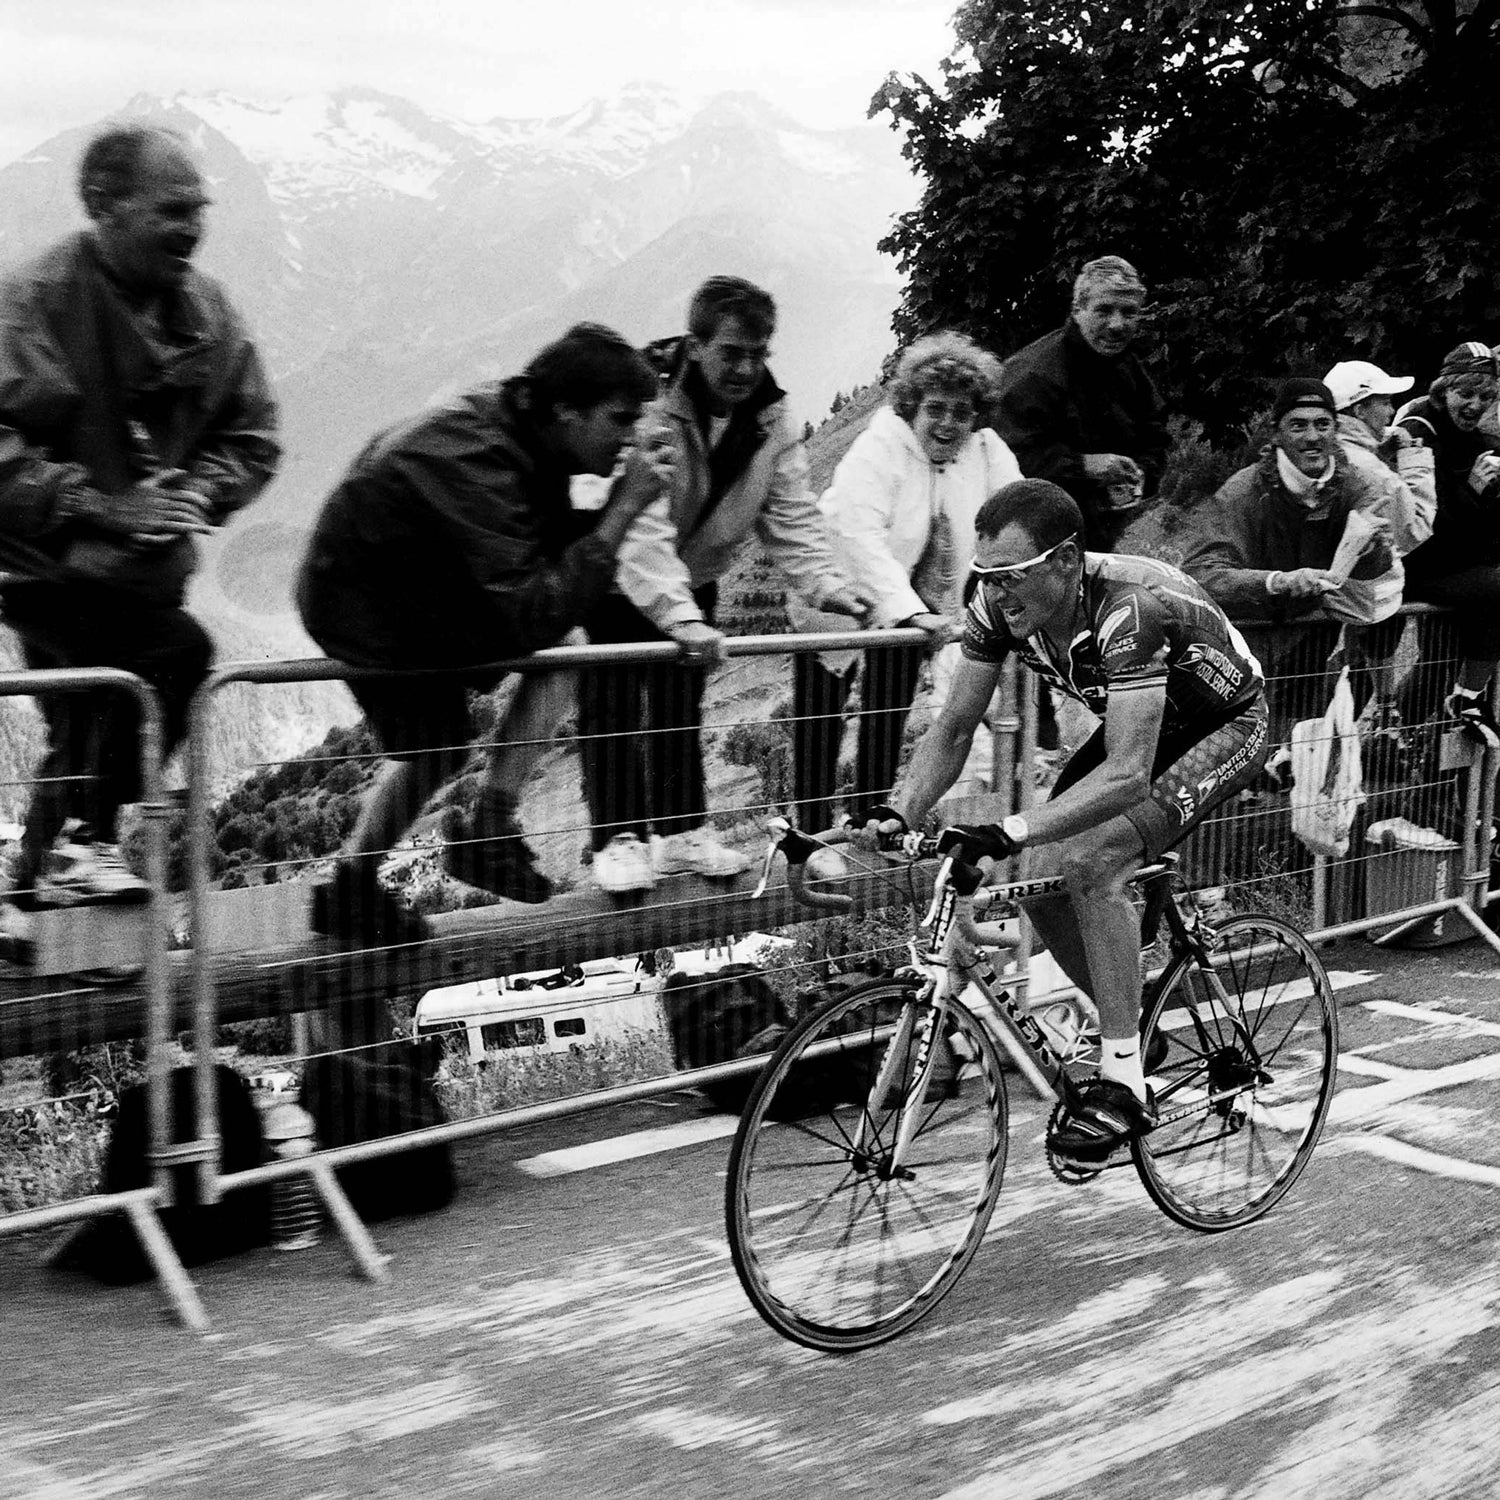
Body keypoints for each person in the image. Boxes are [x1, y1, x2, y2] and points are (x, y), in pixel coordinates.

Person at [860, 478, 1269, 1161]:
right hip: (1146, 722)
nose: (996, 592)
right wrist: (900, 808)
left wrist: (1013, 826)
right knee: (1041, 880)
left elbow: (1129, 773)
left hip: (1224, 725)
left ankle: (1122, 1081)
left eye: (1013, 576)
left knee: (1091, 861)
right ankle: (1132, 1024)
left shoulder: (1127, 610)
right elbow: (957, 724)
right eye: (985, 575)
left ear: (1066, 560)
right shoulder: (994, 606)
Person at [296, 323, 669, 944]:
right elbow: (527, 611)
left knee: (444, 741)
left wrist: (614, 514)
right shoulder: (476, 461)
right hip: (365, 602)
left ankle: (360, 884)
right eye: (619, 419)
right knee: (456, 729)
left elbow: (539, 544)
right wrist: (623, 510)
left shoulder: (528, 434)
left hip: (410, 587)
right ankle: (471, 836)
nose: (628, 436)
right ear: (566, 411)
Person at [0, 124, 278, 916]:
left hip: (145, 575)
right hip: (46, 569)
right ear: (104, 206)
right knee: (175, 657)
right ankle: (80, 846)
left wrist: (199, 489)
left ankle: (28, 906)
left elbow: (254, 432)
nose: (192, 227)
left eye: (199, 208)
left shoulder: (205, 310)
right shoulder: (38, 304)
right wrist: (98, 505)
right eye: (171, 209)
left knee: (84, 726)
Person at [580, 276, 874, 894]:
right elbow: (643, 525)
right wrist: (678, 612)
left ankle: (682, 833)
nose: (746, 368)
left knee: (678, 706)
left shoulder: (770, 419)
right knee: (610, 702)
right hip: (619, 576)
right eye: (732, 352)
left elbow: (788, 509)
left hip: (695, 575)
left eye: (759, 353)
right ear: (696, 345)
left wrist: (824, 584)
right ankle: (616, 839)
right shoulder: (652, 407)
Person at [786, 331, 1021, 833]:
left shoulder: (984, 451)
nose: (948, 423)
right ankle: (809, 833)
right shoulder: (880, 446)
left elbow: (1018, 512)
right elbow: (859, 535)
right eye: (936, 408)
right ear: (912, 405)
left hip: (920, 605)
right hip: (839, 596)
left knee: (886, 715)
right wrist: (909, 610)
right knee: (820, 717)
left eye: (961, 412)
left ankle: (867, 825)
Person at [1181, 378, 1408, 753]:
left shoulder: (1355, 483)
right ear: (1277, 433)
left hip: (1308, 638)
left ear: (1336, 428)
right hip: (1242, 636)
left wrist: (1373, 552)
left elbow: (1374, 573)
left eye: (1322, 424)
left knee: (1281, 751)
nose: (1312, 436)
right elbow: (1201, 572)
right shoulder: (1244, 491)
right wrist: (1276, 581)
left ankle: (1275, 778)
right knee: (1228, 752)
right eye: (1298, 425)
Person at [994, 255, 1167, 553]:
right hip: (1035, 539)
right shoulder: (1034, 375)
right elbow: (1003, 460)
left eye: (1128, 313)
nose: (1117, 324)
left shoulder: (1130, 369)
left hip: (1111, 534)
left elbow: (1156, 436)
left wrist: (1140, 475)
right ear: (1077, 310)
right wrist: (1085, 465)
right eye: (1104, 310)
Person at [1393, 341, 1500, 744]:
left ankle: (1402, 742)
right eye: (1466, 394)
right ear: (1443, 391)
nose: (1475, 405)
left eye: (1487, 396)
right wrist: (1473, 488)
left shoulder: (1482, 442)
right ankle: (1467, 699)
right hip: (1412, 562)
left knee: (1438, 663)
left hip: (1457, 563)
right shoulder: (1418, 430)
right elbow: (1426, 527)